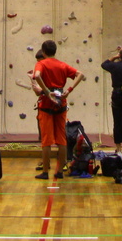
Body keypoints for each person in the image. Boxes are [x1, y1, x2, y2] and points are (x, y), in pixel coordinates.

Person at [31, 40, 85, 179]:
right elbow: (80, 74)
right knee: (61, 139)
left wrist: (47, 91)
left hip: (46, 104)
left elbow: (37, 76)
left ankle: (45, 172)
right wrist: (69, 89)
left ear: (43, 52)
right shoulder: (62, 65)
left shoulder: (41, 64)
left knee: (46, 140)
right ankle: (60, 171)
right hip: (61, 102)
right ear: (55, 51)